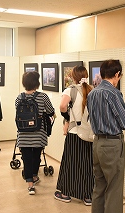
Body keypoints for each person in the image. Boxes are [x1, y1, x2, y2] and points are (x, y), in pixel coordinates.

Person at [87, 60, 125, 213]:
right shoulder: (113, 93)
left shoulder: (92, 93)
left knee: (99, 186)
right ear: (117, 74)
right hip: (112, 145)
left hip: (97, 143)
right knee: (114, 188)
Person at [54, 66, 94, 206]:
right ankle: (88, 196)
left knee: (71, 163)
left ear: (73, 76)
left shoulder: (70, 90)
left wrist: (67, 117)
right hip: (89, 133)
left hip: (74, 132)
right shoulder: (92, 90)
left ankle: (66, 193)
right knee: (88, 164)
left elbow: (62, 106)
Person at [15, 71, 55, 195]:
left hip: (23, 134)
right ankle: (34, 176)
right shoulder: (42, 97)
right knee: (36, 156)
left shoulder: (19, 98)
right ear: (36, 83)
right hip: (38, 133)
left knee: (26, 159)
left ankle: (30, 185)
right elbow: (50, 111)